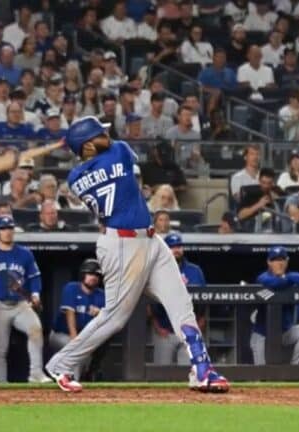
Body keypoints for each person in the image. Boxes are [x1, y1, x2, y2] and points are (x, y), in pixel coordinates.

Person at [46, 116, 229, 393]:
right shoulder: (118, 152)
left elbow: (98, 160)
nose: (107, 135)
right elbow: (118, 149)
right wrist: (81, 140)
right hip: (122, 246)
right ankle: (62, 363)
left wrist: (80, 142)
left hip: (150, 240)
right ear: (88, 146)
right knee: (115, 317)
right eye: (100, 134)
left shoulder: (74, 178)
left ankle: (201, 369)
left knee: (180, 302)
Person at [0, 216, 49, 383]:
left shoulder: (24, 253)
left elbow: (35, 276)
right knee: (0, 349)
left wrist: (35, 294)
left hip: (20, 304)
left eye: (10, 228)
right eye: (3, 229)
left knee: (35, 329)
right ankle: (1, 383)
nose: (7, 232)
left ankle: (36, 373)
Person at [251, 246, 299, 365]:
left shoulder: (290, 276)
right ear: (269, 262)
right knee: (260, 375)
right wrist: (289, 279)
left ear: (287, 261)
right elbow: (275, 283)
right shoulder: (263, 277)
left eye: (281, 260)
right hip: (262, 334)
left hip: (284, 333)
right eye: (275, 260)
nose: (279, 263)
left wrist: (289, 277)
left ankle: (293, 369)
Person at [150, 234, 207, 366]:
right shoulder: (156, 271)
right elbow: (148, 300)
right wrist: (156, 325)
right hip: (165, 330)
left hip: (190, 329)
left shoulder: (195, 271)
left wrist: (201, 321)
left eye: (179, 246)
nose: (176, 250)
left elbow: (205, 298)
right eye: (172, 247)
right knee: (161, 373)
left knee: (188, 371)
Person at [49, 259, 105, 378]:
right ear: (83, 275)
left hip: (85, 338)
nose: (93, 277)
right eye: (90, 274)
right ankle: (74, 381)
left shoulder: (101, 295)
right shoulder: (71, 288)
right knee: (78, 352)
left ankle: (84, 374)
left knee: (85, 353)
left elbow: (109, 322)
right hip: (61, 334)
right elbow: (70, 314)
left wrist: (101, 313)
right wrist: (76, 341)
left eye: (96, 275)